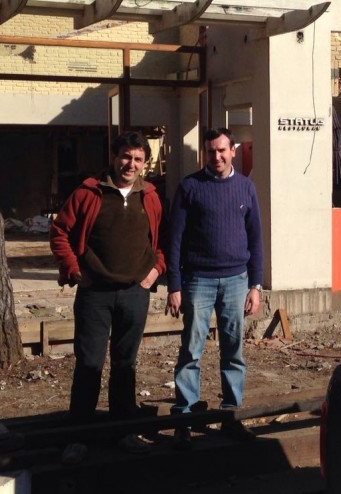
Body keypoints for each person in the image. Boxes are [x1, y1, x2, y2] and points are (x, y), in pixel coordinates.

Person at [50, 131, 165, 451]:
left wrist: (156, 270)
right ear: (114, 158)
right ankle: (79, 437)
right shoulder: (89, 193)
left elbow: (161, 241)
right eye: (126, 156)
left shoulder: (151, 196)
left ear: (145, 163)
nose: (131, 164)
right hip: (95, 294)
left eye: (138, 159)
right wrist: (73, 269)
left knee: (126, 365)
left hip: (134, 294)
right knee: (89, 364)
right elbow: (60, 232)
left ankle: (123, 431)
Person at [165, 127, 264, 449]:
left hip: (236, 281)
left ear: (233, 150)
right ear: (204, 154)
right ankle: (185, 414)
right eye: (211, 151)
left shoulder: (246, 187)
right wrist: (175, 285)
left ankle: (230, 413)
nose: (217, 156)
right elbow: (175, 239)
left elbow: (256, 239)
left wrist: (256, 285)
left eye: (222, 150)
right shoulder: (190, 187)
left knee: (233, 351)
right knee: (191, 350)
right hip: (198, 281)